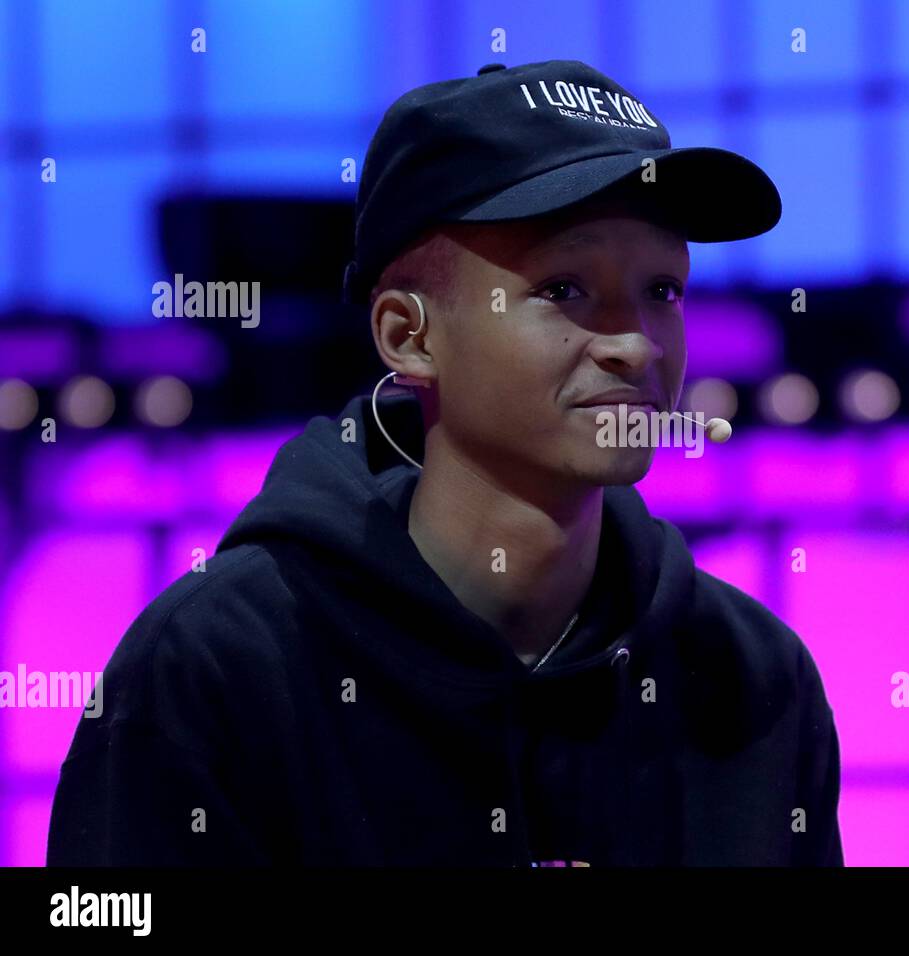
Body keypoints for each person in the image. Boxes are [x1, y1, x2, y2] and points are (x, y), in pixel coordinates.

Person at [46, 59, 843, 866]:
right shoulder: (215, 669)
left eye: (663, 290)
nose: (634, 343)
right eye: (564, 288)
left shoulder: (750, 679)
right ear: (409, 336)